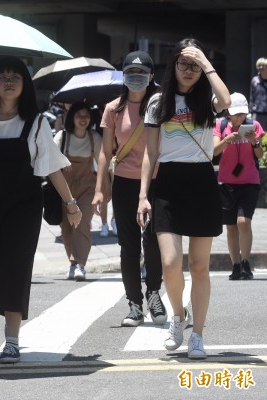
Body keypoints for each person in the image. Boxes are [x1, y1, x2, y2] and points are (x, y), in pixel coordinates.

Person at [0, 56, 82, 363]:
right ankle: (0, 291)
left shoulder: (36, 123)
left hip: (24, 206)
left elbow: (50, 167)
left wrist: (71, 203)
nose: (8, 82)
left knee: (15, 268)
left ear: (24, 84)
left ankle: (12, 340)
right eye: (2, 76)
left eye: (15, 77)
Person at [137, 38, 231, 360]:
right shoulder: (157, 103)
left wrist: (206, 63)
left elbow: (227, 98)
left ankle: (198, 336)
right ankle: (178, 317)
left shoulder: (208, 100)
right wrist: (142, 196)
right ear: (173, 65)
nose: (189, 70)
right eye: (183, 63)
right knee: (170, 263)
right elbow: (150, 154)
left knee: (200, 267)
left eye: (194, 65)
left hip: (202, 181)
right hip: (168, 186)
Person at [92, 50, 167, 327]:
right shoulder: (113, 108)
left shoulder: (159, 106)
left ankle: (154, 294)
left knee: (153, 242)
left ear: (151, 77)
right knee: (129, 247)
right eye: (131, 74)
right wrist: (100, 188)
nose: (136, 78)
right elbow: (104, 151)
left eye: (141, 74)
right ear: (123, 76)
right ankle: (134, 304)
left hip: (157, 182)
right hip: (124, 183)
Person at [212, 92, 264, 280]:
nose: (239, 118)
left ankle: (246, 263)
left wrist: (254, 142)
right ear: (228, 112)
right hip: (227, 184)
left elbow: (259, 155)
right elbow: (213, 151)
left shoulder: (254, 126)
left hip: (250, 182)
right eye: (236, 114)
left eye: (242, 114)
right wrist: (227, 140)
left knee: (244, 222)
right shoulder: (221, 125)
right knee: (231, 226)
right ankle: (235, 265)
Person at [54, 102, 102, 282]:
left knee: (81, 225)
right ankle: (72, 264)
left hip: (87, 189)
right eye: (78, 115)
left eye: (86, 115)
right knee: (66, 228)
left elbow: (104, 163)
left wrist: (104, 188)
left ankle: (80, 264)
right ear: (71, 118)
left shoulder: (94, 138)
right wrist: (62, 164)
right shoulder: (62, 137)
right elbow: (50, 160)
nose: (83, 119)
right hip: (64, 190)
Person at [249, 57, 267, 129]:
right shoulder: (255, 80)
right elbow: (251, 96)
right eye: (259, 65)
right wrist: (250, 111)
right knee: (258, 134)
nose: (261, 67)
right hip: (258, 113)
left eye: (263, 65)